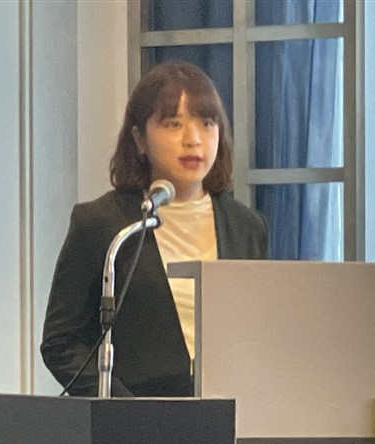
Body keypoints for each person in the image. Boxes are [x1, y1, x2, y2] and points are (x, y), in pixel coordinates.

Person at [41, 61, 268, 397]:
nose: (193, 140)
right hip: (133, 419)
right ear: (140, 139)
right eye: (173, 124)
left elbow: (260, 336)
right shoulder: (101, 224)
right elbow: (61, 343)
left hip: (230, 415)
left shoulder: (247, 227)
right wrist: (123, 408)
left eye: (206, 123)